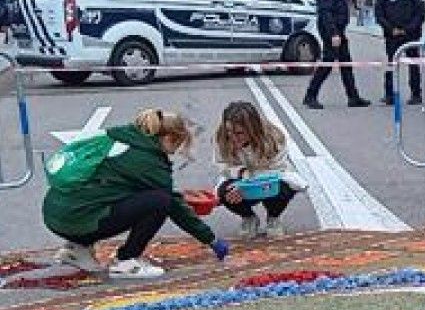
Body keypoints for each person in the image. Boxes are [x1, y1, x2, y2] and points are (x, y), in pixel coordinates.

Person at [45, 109, 230, 280]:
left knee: (112, 197)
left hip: (54, 215)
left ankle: (76, 249)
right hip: (77, 219)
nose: (175, 151)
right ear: (169, 138)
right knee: (159, 202)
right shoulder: (148, 159)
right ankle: (127, 261)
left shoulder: (122, 137)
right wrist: (211, 239)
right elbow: (172, 204)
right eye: (178, 144)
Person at [214, 100, 306, 239]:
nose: (233, 137)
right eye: (229, 132)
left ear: (252, 129)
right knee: (225, 193)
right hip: (239, 178)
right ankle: (249, 218)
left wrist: (248, 184)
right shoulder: (221, 138)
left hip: (269, 179)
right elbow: (222, 166)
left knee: (283, 188)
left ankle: (273, 218)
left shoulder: (274, 137)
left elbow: (277, 169)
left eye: (239, 133)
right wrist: (240, 177)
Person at [302, 0, 370, 110]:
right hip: (331, 31)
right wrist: (333, 33)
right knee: (327, 64)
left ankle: (353, 97)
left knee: (346, 64)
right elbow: (326, 13)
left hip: (339, 30)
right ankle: (310, 96)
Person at [375, 0, 425, 106]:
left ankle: (416, 94)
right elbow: (379, 14)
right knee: (391, 64)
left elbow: (420, 14)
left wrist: (408, 29)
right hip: (392, 35)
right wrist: (390, 29)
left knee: (413, 64)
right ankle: (389, 94)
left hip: (410, 35)